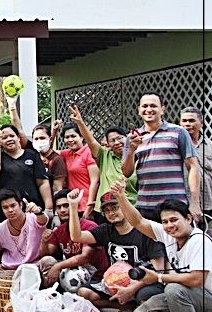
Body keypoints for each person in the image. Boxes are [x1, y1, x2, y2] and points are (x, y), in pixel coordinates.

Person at [114, 190, 211, 312]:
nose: (169, 225)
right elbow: (138, 221)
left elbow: (197, 279)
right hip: (192, 299)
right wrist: (121, 196)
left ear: (189, 219)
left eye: (174, 220)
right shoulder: (169, 235)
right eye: (165, 221)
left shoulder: (199, 241)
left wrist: (158, 278)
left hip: (206, 298)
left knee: (173, 289)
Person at [69, 189, 165, 312]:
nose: (111, 213)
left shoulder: (145, 231)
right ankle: (127, 308)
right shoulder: (106, 230)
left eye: (115, 207)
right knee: (84, 292)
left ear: (125, 206)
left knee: (145, 295)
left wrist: (131, 289)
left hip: (144, 282)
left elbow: (159, 270)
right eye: (107, 210)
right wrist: (73, 206)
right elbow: (76, 236)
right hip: (116, 281)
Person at [121, 92, 201, 222]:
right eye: (144, 106)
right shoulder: (132, 138)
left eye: (153, 106)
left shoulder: (178, 132)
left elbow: (193, 166)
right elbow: (126, 172)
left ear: (162, 109)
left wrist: (195, 203)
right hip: (145, 207)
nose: (148, 109)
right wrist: (131, 151)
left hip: (174, 206)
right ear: (139, 110)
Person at [69, 105, 137, 223]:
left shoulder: (138, 157)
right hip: (105, 210)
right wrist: (80, 122)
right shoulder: (105, 156)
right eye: (112, 140)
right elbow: (91, 141)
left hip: (131, 209)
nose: (117, 142)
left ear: (127, 138)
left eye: (120, 138)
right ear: (108, 144)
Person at [38, 189, 109, 288]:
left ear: (74, 205)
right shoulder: (59, 230)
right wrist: (43, 241)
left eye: (66, 205)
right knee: (46, 261)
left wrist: (58, 266)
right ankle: (48, 292)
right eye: (59, 207)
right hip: (73, 270)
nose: (62, 210)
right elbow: (45, 254)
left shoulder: (89, 226)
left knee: (69, 273)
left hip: (95, 273)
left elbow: (85, 257)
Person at [0, 124, 54, 219]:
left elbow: (42, 182)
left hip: (32, 208)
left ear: (18, 138)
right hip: (8, 211)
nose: (9, 139)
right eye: (4, 138)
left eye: (12, 136)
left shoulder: (32, 155)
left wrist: (49, 208)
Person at [7, 95, 66, 196]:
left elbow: (57, 188)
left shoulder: (56, 160)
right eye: (36, 139)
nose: (39, 141)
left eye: (42, 138)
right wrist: (12, 106)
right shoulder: (31, 152)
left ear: (50, 139)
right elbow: (19, 129)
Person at [0, 189, 49, 271]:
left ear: (21, 204)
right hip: (10, 269)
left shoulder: (33, 217)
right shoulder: (0, 229)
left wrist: (38, 211)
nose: (10, 210)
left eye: (13, 205)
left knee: (49, 261)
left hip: (36, 265)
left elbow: (43, 220)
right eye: (5, 207)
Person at [57, 122, 100, 218]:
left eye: (73, 136)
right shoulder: (67, 154)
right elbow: (47, 153)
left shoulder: (88, 152)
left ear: (81, 137)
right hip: (73, 205)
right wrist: (54, 131)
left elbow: (95, 181)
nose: (70, 140)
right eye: (67, 137)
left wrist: (90, 205)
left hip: (87, 205)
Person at [179, 106, 211, 215]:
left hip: (208, 202)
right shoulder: (175, 146)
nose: (187, 124)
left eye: (191, 120)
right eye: (184, 121)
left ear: (201, 123)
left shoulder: (210, 146)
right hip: (182, 203)